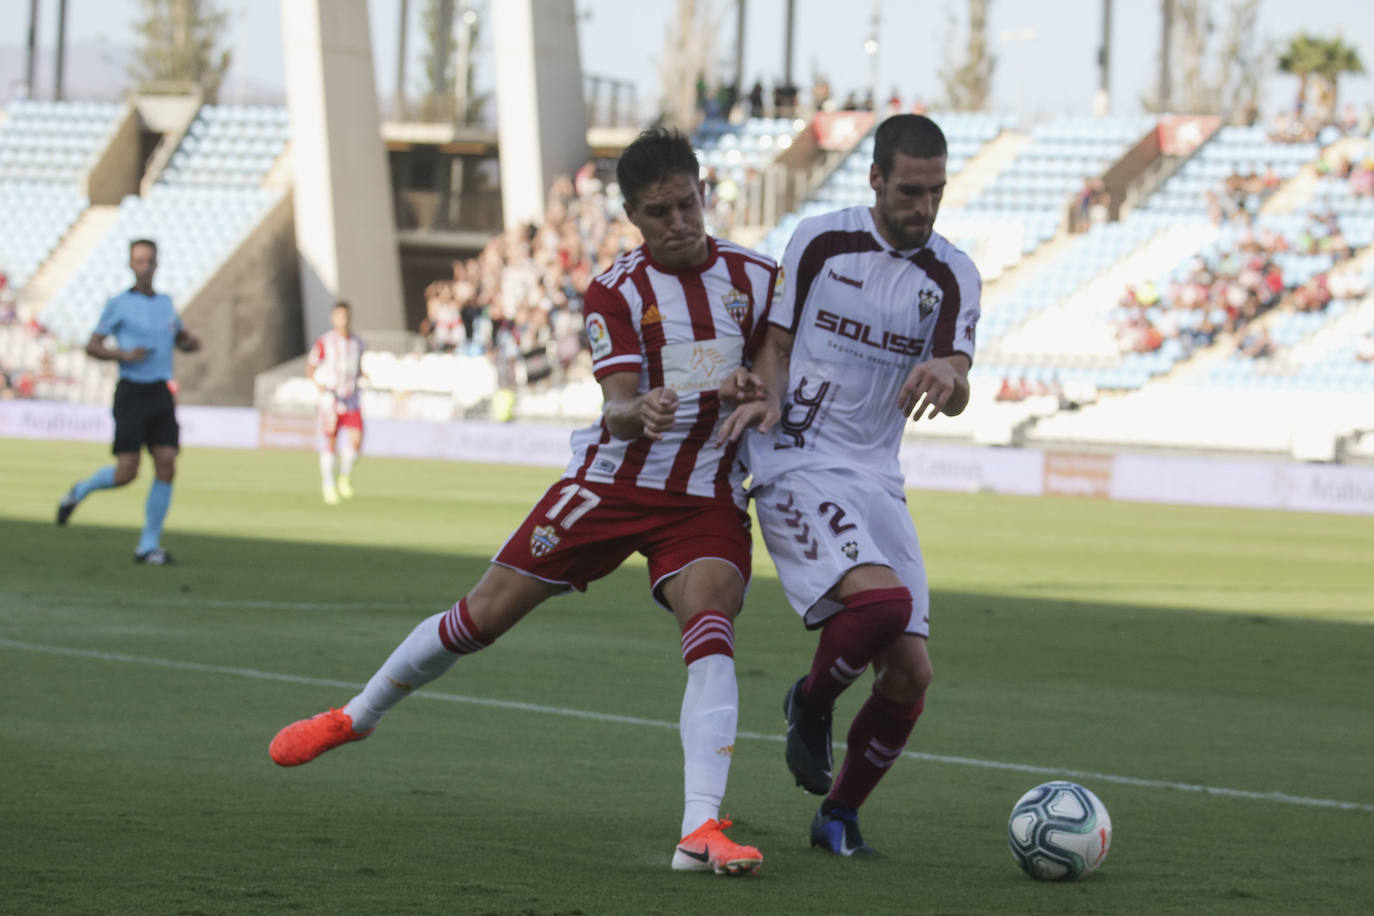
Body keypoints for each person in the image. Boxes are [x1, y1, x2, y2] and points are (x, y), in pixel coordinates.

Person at [268, 128, 779, 876]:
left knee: (711, 626)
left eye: (688, 202)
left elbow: (774, 359)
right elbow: (617, 409)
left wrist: (755, 385)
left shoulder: (758, 277)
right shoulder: (618, 290)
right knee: (482, 615)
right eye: (659, 211)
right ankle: (355, 715)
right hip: (609, 485)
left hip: (703, 496)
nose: (679, 221)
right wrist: (646, 409)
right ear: (634, 217)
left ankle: (699, 829)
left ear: (704, 191)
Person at [719, 114, 980, 856]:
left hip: (876, 474)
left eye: (935, 192)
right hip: (795, 458)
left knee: (910, 672)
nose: (923, 207)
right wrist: (767, 395)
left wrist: (949, 377)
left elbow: (960, 380)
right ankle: (810, 699)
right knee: (883, 603)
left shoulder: (953, 274)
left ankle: (839, 815)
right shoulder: (822, 242)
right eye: (909, 190)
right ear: (875, 181)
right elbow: (776, 342)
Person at [55, 239, 201, 564]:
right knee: (127, 472)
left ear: (157, 264)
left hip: (161, 391)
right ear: (131, 265)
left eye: (150, 261)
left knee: (166, 461)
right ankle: (79, 491)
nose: (145, 267)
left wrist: (190, 343)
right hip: (132, 390)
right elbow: (92, 346)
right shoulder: (118, 304)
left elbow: (180, 337)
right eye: (139, 261)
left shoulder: (166, 303)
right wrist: (122, 354)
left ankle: (148, 546)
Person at [308, 301, 367, 505]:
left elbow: (358, 366)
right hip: (331, 400)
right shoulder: (325, 342)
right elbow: (311, 367)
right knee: (331, 442)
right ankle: (328, 485)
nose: (343, 319)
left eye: (346, 315)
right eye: (339, 315)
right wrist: (318, 384)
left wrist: (364, 375)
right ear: (333, 318)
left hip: (352, 400)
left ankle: (344, 476)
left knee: (357, 442)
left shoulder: (358, 342)